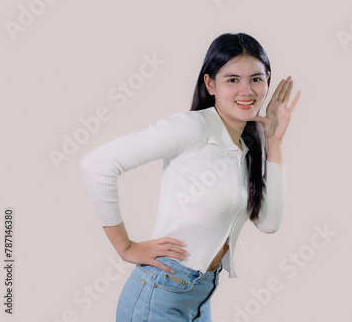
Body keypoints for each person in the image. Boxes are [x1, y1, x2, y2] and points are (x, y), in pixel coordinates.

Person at [80, 32, 301, 321]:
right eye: (232, 79)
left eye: (256, 79)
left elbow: (269, 222)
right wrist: (126, 247)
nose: (246, 91)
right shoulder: (193, 128)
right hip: (160, 295)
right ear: (210, 84)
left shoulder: (242, 147)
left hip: (199, 298)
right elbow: (98, 164)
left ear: (268, 81)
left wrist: (274, 141)